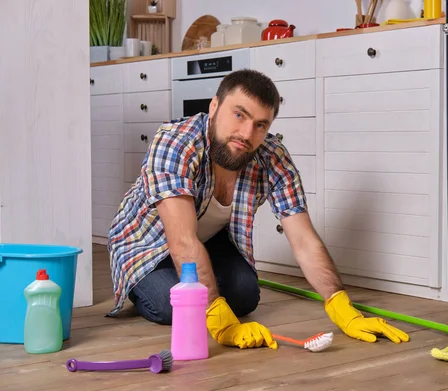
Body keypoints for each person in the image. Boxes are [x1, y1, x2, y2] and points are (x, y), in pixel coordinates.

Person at [106, 69, 409, 349]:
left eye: (260, 124)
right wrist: (214, 311)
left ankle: (203, 286)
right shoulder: (175, 143)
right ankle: (139, 286)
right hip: (146, 246)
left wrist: (341, 305)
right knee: (168, 303)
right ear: (214, 107)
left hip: (208, 238)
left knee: (244, 295)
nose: (246, 134)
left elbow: (304, 240)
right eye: (239, 115)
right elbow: (182, 241)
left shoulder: (272, 157)